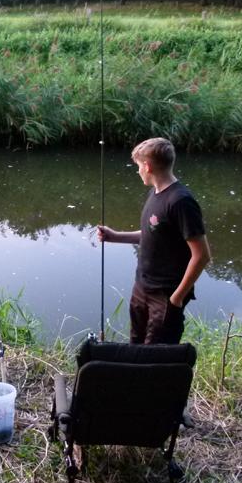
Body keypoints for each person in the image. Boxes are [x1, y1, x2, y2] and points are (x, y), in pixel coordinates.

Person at [98, 137, 210, 344]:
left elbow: (202, 256)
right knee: (135, 345)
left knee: (156, 353)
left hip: (165, 295)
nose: (138, 171)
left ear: (148, 166)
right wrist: (115, 236)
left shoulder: (181, 201)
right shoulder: (155, 193)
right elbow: (153, 234)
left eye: (139, 166)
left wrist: (176, 298)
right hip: (142, 287)